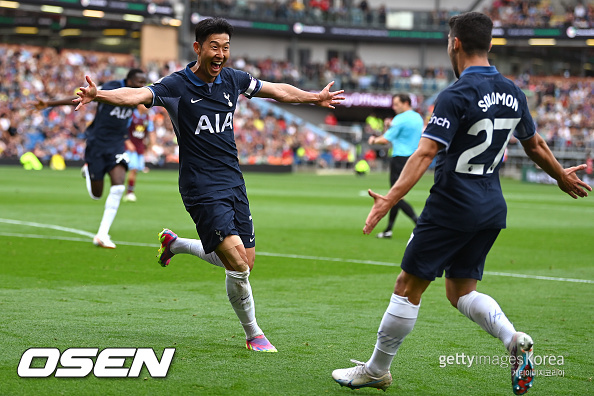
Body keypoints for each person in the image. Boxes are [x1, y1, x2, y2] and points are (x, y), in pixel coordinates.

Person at [332, 11, 591, 394]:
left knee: (407, 286)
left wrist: (390, 198)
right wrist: (559, 175)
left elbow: (424, 154)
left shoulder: (455, 94)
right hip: (491, 207)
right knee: (460, 291)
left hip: (452, 205)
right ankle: (512, 339)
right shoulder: (513, 91)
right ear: (488, 45)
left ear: (454, 44)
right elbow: (533, 143)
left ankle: (376, 370)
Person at [73, 17, 344, 352]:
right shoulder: (176, 85)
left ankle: (174, 244)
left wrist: (313, 97)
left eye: (226, 47)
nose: (221, 54)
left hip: (233, 181)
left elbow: (275, 90)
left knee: (244, 260)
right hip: (200, 185)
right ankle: (253, 334)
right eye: (214, 46)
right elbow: (136, 95)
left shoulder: (234, 79)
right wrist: (101, 95)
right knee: (239, 267)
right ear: (198, 48)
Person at [33, 69, 148, 248]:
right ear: (128, 79)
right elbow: (82, 98)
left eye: (144, 82)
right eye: (138, 82)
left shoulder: (139, 95)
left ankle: (102, 234)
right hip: (97, 144)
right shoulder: (111, 87)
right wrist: (49, 103)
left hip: (117, 144)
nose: (141, 86)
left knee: (118, 188)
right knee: (97, 195)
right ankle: (88, 170)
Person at [368, 93, 422, 239]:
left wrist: (373, 140)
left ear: (406, 103)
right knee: (397, 194)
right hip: (413, 159)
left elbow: (386, 139)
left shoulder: (400, 119)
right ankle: (389, 229)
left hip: (399, 159)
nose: (394, 107)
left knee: (395, 196)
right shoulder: (417, 117)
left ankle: (419, 223)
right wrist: (388, 126)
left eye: (397, 104)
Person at [122, 104, 156, 202]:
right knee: (133, 168)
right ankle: (129, 192)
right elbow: (124, 129)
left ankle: (128, 191)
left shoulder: (147, 118)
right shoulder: (131, 115)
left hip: (139, 147)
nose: (148, 107)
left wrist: (153, 145)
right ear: (139, 105)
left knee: (135, 171)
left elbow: (151, 131)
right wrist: (128, 142)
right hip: (129, 147)